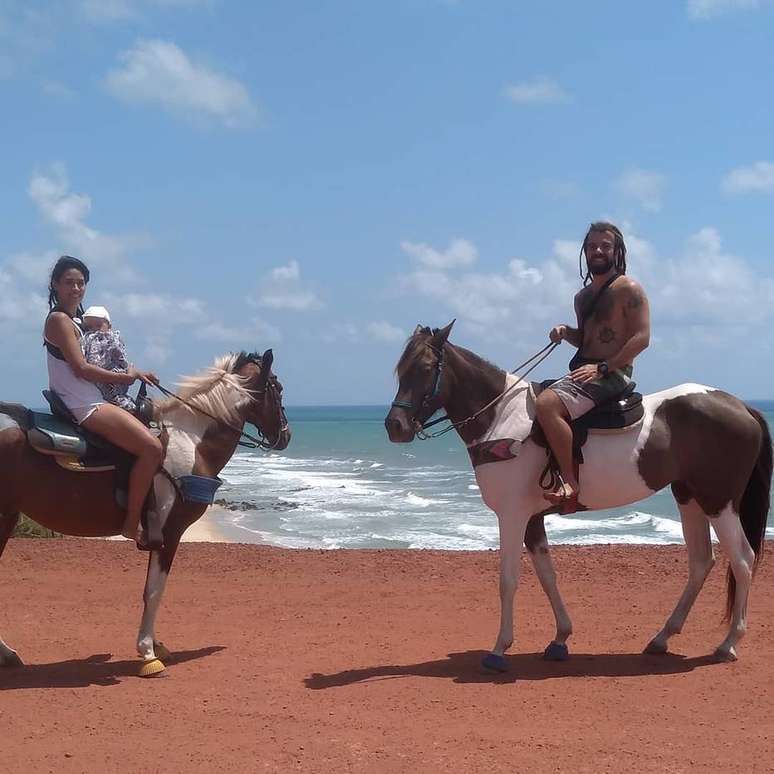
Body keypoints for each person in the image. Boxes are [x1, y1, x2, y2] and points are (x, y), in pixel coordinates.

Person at [43, 256, 162, 546]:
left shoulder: (77, 322)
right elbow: (81, 369)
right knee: (152, 448)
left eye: (80, 283)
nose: (75, 288)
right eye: (69, 282)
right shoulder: (59, 320)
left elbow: (101, 361)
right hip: (83, 404)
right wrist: (126, 377)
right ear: (55, 285)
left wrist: (136, 372)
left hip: (91, 397)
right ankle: (131, 522)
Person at [535, 222, 651, 509]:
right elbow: (588, 340)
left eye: (605, 246)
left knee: (547, 405)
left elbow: (642, 338)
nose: (598, 251)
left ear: (617, 251)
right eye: (592, 246)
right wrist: (566, 332)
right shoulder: (582, 298)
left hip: (614, 372)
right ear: (585, 252)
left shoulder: (629, 289)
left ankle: (570, 483)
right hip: (585, 370)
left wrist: (604, 368)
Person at [81, 305, 136, 412]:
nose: (94, 330)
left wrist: (127, 369)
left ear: (109, 326)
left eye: (98, 325)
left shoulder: (112, 338)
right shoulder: (86, 339)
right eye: (89, 327)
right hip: (100, 379)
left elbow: (120, 356)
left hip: (114, 374)